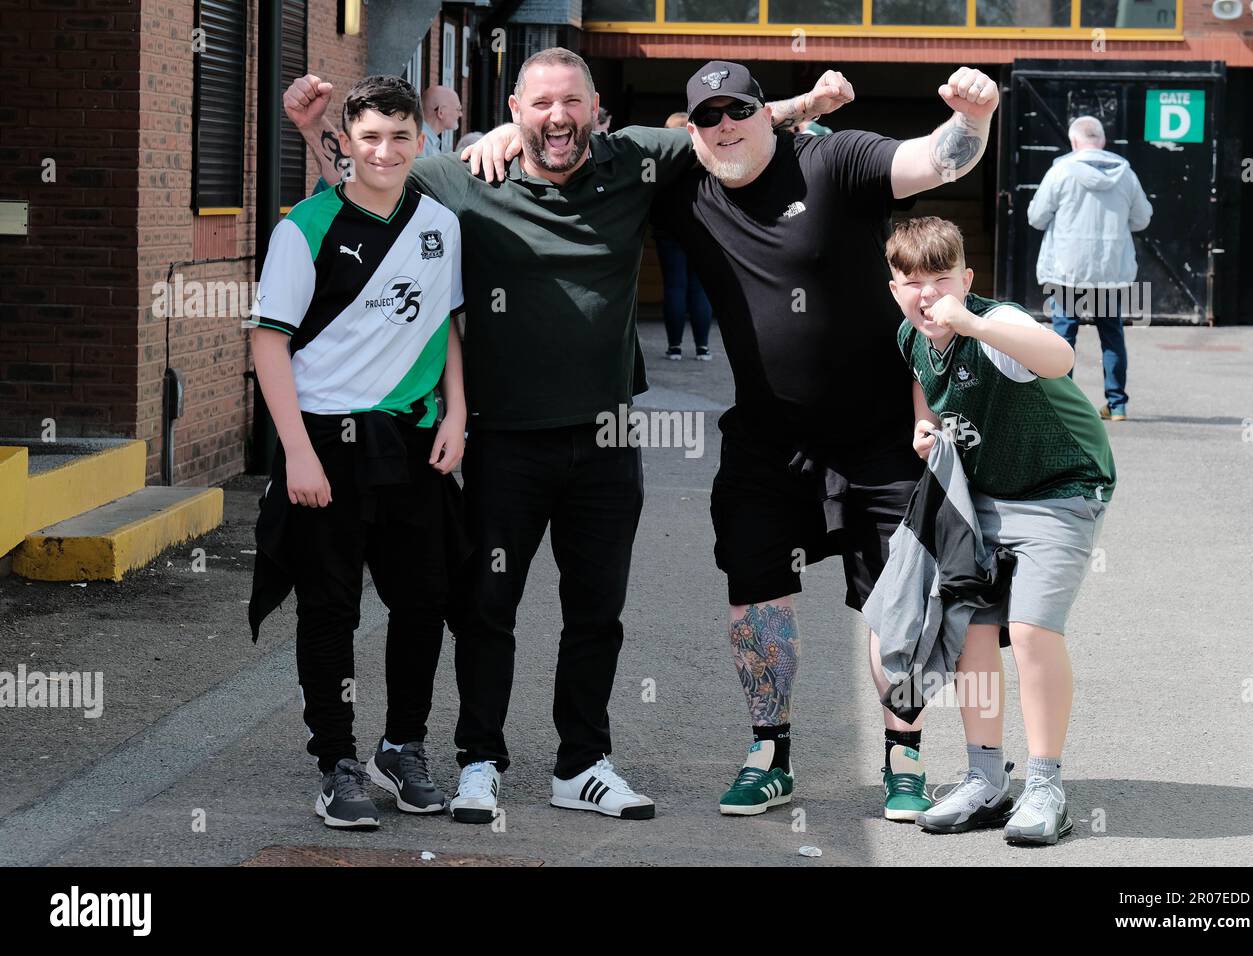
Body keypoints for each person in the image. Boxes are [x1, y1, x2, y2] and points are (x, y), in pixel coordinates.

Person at [284, 50, 841, 825]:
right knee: (486, 608)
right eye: (541, 103)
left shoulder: (634, 159)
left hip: (607, 436)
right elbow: (368, 187)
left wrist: (809, 99)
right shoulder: (462, 177)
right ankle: (479, 758)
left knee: (596, 612)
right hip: (503, 438)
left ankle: (582, 763)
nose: (557, 118)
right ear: (515, 108)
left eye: (571, 102)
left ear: (596, 107)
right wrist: (319, 131)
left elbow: (726, 131)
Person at [646, 60, 1001, 820]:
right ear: (694, 129)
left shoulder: (831, 162)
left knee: (899, 608)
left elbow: (934, 159)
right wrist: (509, 132)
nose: (724, 126)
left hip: (883, 440)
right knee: (756, 597)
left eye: (739, 109)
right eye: (707, 117)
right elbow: (582, 155)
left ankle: (904, 760)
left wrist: (974, 120)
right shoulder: (686, 189)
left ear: (762, 111)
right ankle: (769, 757)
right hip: (767, 445)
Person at [246, 75, 468, 829]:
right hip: (327, 448)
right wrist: (297, 453)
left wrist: (458, 415)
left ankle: (401, 746)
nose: (385, 150)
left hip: (412, 443)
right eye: (370, 137)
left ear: (421, 140)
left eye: (400, 137)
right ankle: (336, 761)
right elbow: (268, 344)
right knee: (330, 609)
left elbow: (450, 329)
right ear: (347, 140)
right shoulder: (303, 227)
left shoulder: (440, 223)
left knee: (424, 602)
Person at [878, 215, 1115, 846]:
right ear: (893, 285)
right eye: (911, 281)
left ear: (968, 278)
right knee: (972, 631)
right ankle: (985, 780)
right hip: (983, 494)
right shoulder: (911, 335)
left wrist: (976, 323)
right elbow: (927, 384)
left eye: (941, 279)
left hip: (1061, 489)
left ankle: (1044, 787)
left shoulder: (994, 326)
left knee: (1032, 629)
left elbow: (1059, 356)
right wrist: (922, 429)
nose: (927, 294)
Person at [1027, 115, 1152, 421]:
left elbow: (1036, 217)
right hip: (1110, 272)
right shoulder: (1125, 174)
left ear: (1073, 141)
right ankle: (1117, 404)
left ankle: (1064, 407)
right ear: (1102, 141)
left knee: (1063, 337)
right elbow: (1142, 219)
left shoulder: (1061, 172)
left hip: (1067, 270)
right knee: (1112, 336)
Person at [656, 111, 713, 361]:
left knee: (674, 287)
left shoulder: (661, 160)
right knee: (700, 289)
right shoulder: (706, 159)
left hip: (669, 230)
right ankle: (703, 348)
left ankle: (675, 347)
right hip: (702, 230)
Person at [420, 84, 464, 156]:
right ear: (441, 112)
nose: (460, 114)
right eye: (458, 109)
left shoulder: (428, 141)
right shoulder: (422, 144)